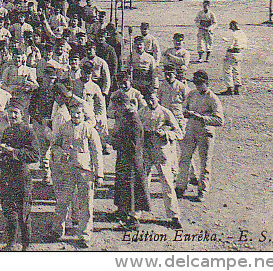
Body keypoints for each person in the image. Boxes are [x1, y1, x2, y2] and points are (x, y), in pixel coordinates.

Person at [48, 97, 103, 249]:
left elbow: (97, 152)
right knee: (63, 200)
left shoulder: (89, 130)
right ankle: (57, 230)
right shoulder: (64, 127)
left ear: (84, 114)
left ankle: (84, 234)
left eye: (78, 113)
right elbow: (55, 145)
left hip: (85, 171)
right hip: (67, 170)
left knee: (85, 203)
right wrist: (61, 152)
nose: (76, 116)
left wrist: (99, 174)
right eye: (73, 113)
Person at [0, 95, 38, 251]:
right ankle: (10, 244)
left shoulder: (28, 131)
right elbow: (2, 153)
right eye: (10, 112)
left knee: (23, 212)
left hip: (22, 177)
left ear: (22, 115)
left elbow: (35, 155)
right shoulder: (7, 130)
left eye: (16, 113)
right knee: (9, 212)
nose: (12, 116)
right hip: (7, 176)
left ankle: (26, 245)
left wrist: (14, 152)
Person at [176, 70, 224, 201]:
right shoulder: (192, 94)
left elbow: (220, 120)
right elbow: (183, 107)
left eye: (200, 83)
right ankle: (180, 186)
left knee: (205, 163)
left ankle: (203, 190)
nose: (197, 86)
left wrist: (202, 118)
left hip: (205, 132)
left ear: (206, 83)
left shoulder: (213, 98)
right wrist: (186, 113)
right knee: (184, 158)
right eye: (196, 83)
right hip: (190, 129)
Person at [139, 89, 183, 229]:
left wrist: (166, 133)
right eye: (148, 100)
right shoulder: (142, 112)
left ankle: (174, 215)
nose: (151, 102)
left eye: (153, 98)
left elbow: (179, 133)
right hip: (146, 151)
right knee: (143, 181)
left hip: (161, 151)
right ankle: (136, 214)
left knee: (167, 182)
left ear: (157, 97)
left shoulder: (165, 112)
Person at [111, 92, 150, 230]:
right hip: (126, 159)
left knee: (133, 190)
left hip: (132, 161)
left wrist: (114, 142)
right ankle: (123, 212)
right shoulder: (127, 116)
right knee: (125, 187)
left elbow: (132, 146)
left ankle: (133, 220)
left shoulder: (133, 120)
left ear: (122, 104)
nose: (116, 109)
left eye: (117, 106)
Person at [220, 20, 248, 96]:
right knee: (237, 70)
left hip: (232, 53)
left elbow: (230, 45)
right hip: (239, 53)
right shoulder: (242, 34)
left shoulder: (233, 34)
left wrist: (225, 41)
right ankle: (237, 88)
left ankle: (230, 88)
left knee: (227, 70)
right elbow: (245, 45)